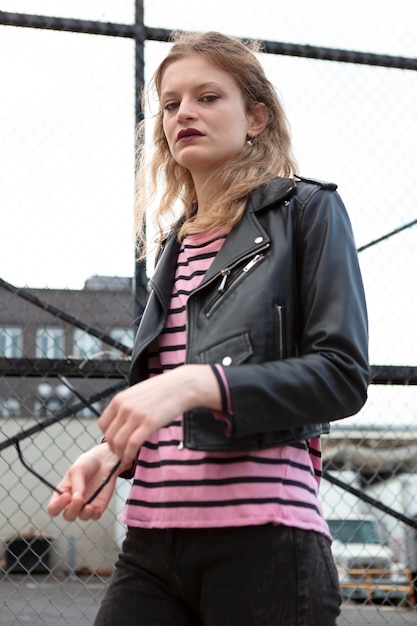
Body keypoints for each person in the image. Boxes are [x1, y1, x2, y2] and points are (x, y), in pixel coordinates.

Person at [48, 31, 369, 626]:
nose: (183, 114)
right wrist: (114, 453)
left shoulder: (308, 212)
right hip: (149, 545)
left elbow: (341, 377)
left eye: (207, 97)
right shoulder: (174, 245)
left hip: (264, 541)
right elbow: (173, 393)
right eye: (170, 104)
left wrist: (201, 383)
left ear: (256, 118)